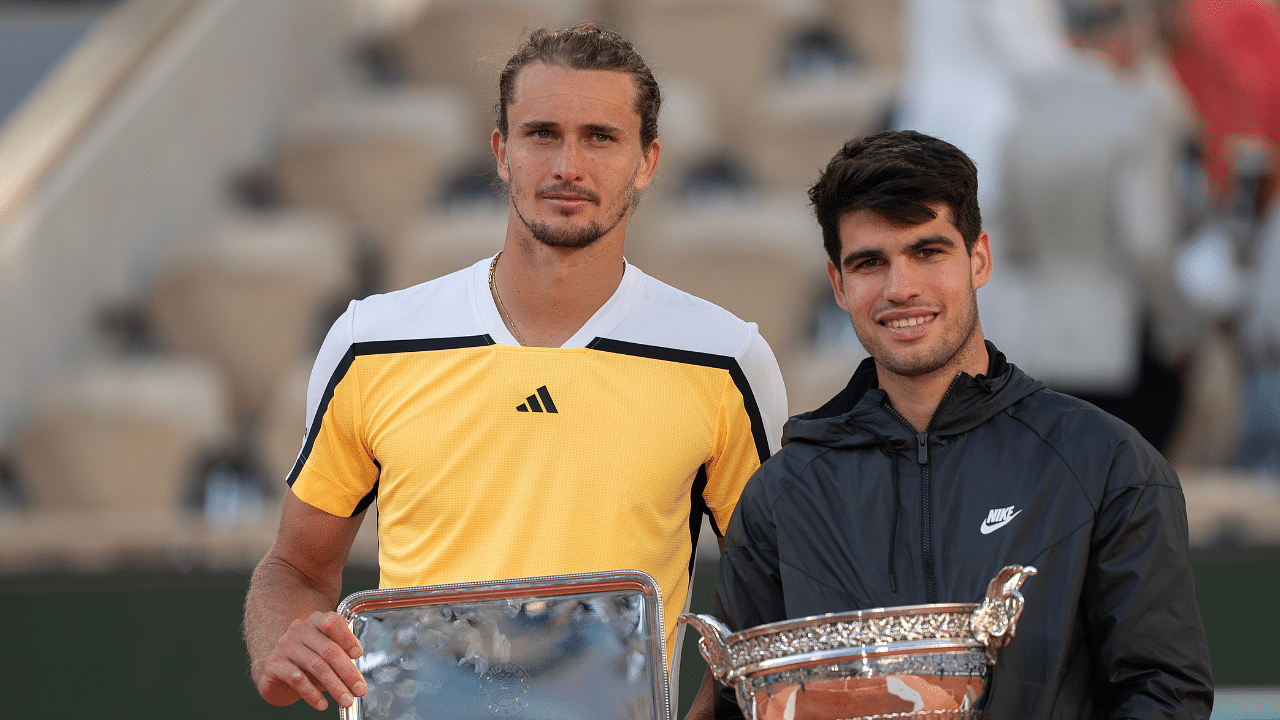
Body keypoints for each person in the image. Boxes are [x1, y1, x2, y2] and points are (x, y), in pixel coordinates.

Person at [242, 23, 788, 715]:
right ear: (501, 152)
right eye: (542, 134)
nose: (568, 165)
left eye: (601, 137)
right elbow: (294, 566)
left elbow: (771, 596)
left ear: (648, 161)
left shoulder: (724, 359)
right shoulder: (370, 342)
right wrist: (281, 642)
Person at [712, 130, 1213, 720]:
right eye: (870, 262)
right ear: (838, 285)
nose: (901, 289)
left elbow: (1164, 695)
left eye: (928, 252)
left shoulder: (1106, 463)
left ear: (979, 258)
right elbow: (742, 704)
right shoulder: (781, 496)